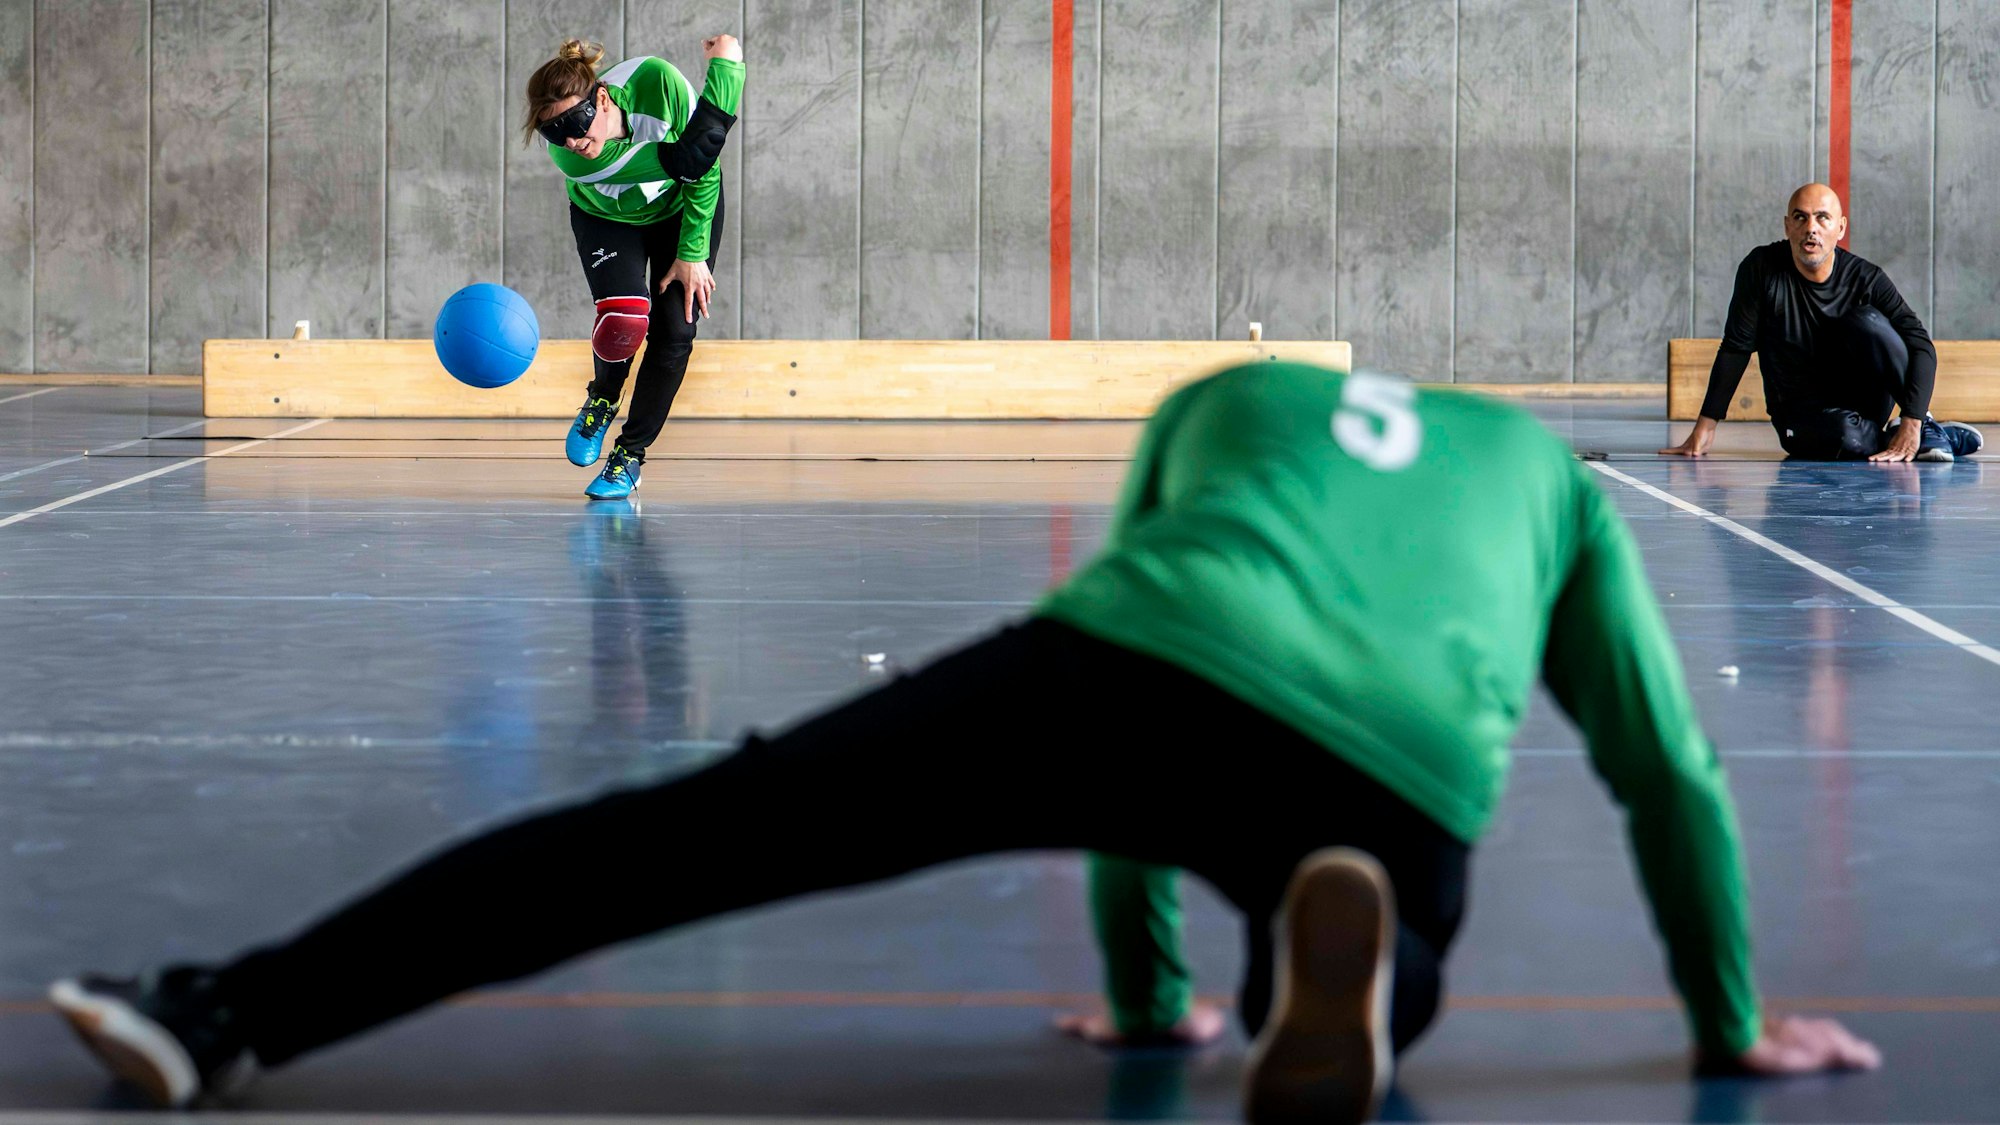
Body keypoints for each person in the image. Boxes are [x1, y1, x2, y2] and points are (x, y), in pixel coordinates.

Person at [51, 363, 1878, 1120]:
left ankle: (220, 1016)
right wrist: (1728, 1024)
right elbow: (1670, 772)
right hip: (1397, 758)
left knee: (694, 833)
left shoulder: (1234, 402)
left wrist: (1138, 982)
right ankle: (1362, 960)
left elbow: (1155, 630)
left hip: (1134, 672)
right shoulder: (1545, 473)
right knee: (1379, 913)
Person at [524, 36, 745, 500]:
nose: (570, 139)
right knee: (625, 315)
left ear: (601, 96)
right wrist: (726, 68)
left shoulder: (656, 80)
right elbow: (691, 155)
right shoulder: (572, 155)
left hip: (680, 211)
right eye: (552, 132)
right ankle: (604, 396)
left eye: (575, 121)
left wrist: (692, 253)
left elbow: (703, 170)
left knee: (676, 332)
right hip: (607, 219)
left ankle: (629, 456)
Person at [1662, 183, 1980, 463]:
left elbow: (1920, 344)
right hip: (1801, 415)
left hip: (1866, 402)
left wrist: (1911, 417)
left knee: (1870, 321)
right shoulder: (1760, 270)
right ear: (1788, 226)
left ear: (1840, 228)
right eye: (1800, 217)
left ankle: (1919, 428)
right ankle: (1923, 439)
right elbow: (1736, 348)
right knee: (1844, 436)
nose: (1810, 228)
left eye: (1822, 218)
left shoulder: (1866, 278)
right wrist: (1705, 427)